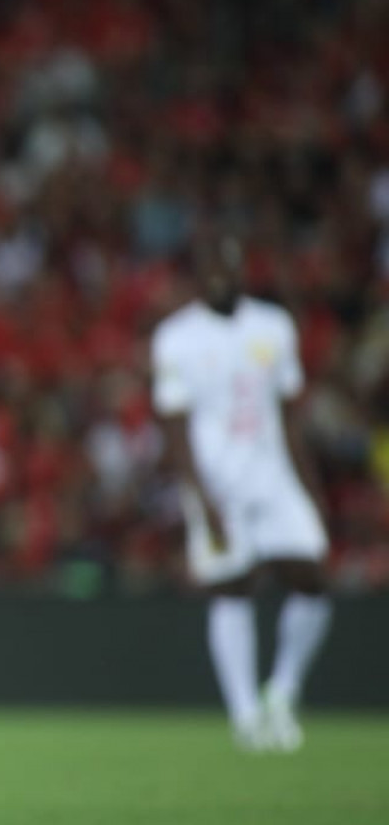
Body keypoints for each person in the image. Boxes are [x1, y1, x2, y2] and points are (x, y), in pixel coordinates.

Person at [151, 235, 333, 752]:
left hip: (274, 475)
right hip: (217, 481)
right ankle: (245, 714)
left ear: (241, 271)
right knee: (233, 586)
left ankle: (283, 688)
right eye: (210, 268)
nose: (220, 278)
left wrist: (309, 481)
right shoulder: (176, 336)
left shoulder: (273, 326)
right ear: (198, 274)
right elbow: (175, 425)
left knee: (312, 577)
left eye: (227, 268)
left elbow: (290, 411)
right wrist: (198, 498)